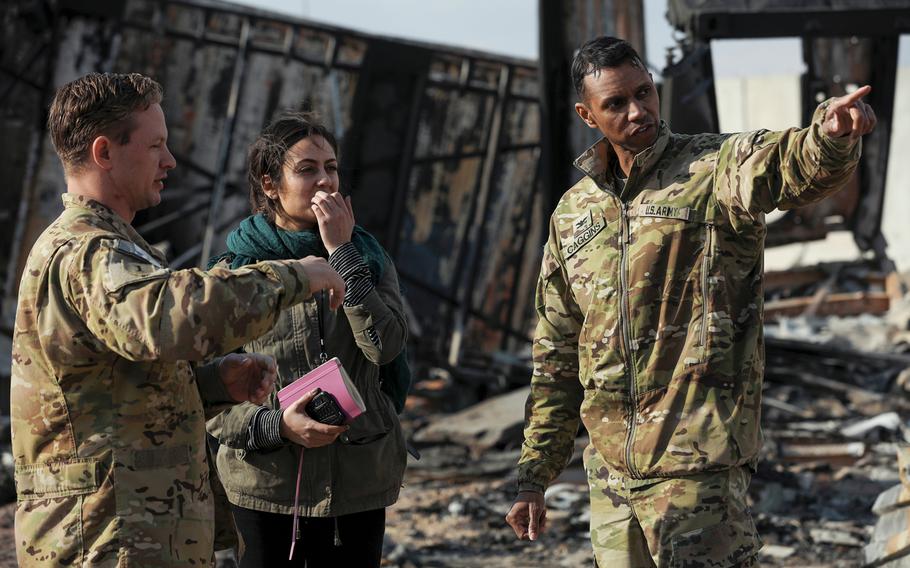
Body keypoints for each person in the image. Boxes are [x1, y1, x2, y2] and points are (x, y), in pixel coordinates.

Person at [505, 36, 876, 566]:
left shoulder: (712, 169)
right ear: (588, 115)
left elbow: (784, 165)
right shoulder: (573, 215)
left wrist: (830, 137)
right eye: (616, 103)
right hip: (612, 482)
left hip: (697, 471)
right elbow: (558, 354)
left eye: (644, 92)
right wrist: (534, 476)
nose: (638, 111)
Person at [10, 72, 346, 567]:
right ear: (105, 153)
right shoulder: (89, 252)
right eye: (157, 146)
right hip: (109, 539)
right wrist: (296, 275)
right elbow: (169, 317)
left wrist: (211, 384)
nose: (169, 161)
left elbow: (119, 381)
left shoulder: (113, 247)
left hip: (135, 530)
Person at [206, 111, 409, 567]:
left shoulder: (368, 256)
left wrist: (342, 254)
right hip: (266, 487)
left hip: (355, 482)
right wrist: (277, 425)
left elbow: (385, 347)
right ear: (270, 184)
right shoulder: (235, 270)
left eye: (331, 167)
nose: (325, 182)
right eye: (307, 169)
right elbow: (209, 396)